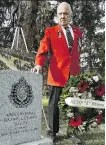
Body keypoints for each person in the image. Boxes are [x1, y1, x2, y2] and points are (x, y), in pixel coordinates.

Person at [32, 2, 83, 143]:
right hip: (57, 75)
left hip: (74, 75)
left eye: (65, 13)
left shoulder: (78, 32)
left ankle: (73, 132)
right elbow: (43, 49)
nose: (62, 16)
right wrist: (38, 64)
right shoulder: (50, 31)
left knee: (73, 104)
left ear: (70, 15)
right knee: (54, 105)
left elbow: (76, 52)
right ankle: (52, 132)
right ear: (57, 15)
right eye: (60, 13)